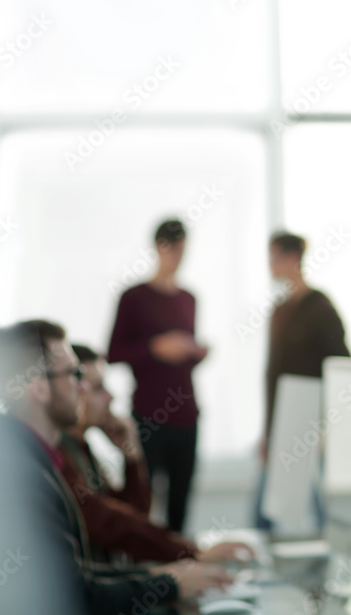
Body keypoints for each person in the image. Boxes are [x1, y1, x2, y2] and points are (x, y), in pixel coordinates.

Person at [0, 320, 231, 615]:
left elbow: (73, 577)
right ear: (39, 388)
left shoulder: (24, 458)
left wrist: (163, 577)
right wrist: (169, 583)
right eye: (75, 374)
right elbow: (74, 598)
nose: (82, 388)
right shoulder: (16, 476)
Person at [61, 344, 255, 565]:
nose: (111, 397)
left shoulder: (83, 450)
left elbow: (133, 516)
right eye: (98, 388)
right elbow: (113, 526)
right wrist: (193, 553)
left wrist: (132, 456)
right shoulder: (62, 455)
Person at [108, 219, 209, 533]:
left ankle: (183, 572)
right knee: (144, 502)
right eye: (173, 249)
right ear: (158, 248)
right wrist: (156, 347)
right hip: (149, 415)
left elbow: (183, 364)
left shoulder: (189, 299)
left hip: (186, 414)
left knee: (180, 507)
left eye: (183, 250)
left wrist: (195, 354)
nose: (178, 257)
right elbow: (113, 354)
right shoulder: (133, 297)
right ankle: (147, 576)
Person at [254, 231, 351, 529]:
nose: (270, 264)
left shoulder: (319, 308)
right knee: (270, 508)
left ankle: (324, 566)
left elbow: (342, 364)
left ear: (293, 258)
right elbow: (273, 375)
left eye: (275, 257)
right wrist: (268, 430)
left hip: (310, 420)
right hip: (283, 419)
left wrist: (326, 424)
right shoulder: (280, 310)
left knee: (314, 503)